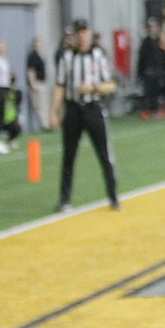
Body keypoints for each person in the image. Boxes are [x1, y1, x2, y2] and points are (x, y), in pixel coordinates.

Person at [50, 18, 119, 212]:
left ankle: (113, 196)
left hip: (92, 108)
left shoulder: (98, 55)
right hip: (72, 110)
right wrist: (54, 112)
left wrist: (93, 88)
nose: (81, 36)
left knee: (104, 154)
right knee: (68, 156)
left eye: (84, 32)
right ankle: (65, 199)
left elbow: (111, 85)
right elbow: (60, 85)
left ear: (89, 33)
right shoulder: (67, 57)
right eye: (78, 32)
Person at [135, 20, 165, 119]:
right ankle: (145, 111)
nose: (153, 29)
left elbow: (163, 58)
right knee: (147, 92)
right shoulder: (145, 42)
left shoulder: (159, 42)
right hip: (149, 71)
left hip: (158, 71)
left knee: (156, 91)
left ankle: (155, 110)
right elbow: (142, 58)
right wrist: (141, 71)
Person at [0, 74, 23, 154]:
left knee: (17, 126)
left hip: (9, 121)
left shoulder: (16, 94)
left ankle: (11, 139)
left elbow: (17, 107)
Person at [26, 37, 51, 131]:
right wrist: (33, 84)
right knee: (40, 106)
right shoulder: (32, 56)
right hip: (37, 83)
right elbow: (30, 71)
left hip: (42, 82)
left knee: (44, 105)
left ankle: (47, 123)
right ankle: (44, 125)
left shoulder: (40, 55)